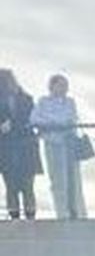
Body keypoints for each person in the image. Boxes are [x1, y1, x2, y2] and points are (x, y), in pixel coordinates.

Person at [29, 73, 86, 220]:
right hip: (52, 144)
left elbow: (70, 118)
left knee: (74, 179)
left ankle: (77, 211)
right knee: (57, 179)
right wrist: (55, 122)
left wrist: (50, 121)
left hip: (69, 144)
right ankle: (62, 213)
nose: (65, 88)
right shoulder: (43, 102)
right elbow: (34, 119)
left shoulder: (70, 102)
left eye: (66, 85)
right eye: (61, 85)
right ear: (52, 86)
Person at [0, 68, 42, 221]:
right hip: (6, 148)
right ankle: (15, 218)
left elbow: (32, 120)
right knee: (11, 185)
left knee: (27, 185)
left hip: (25, 146)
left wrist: (12, 125)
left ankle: (30, 218)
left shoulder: (26, 99)